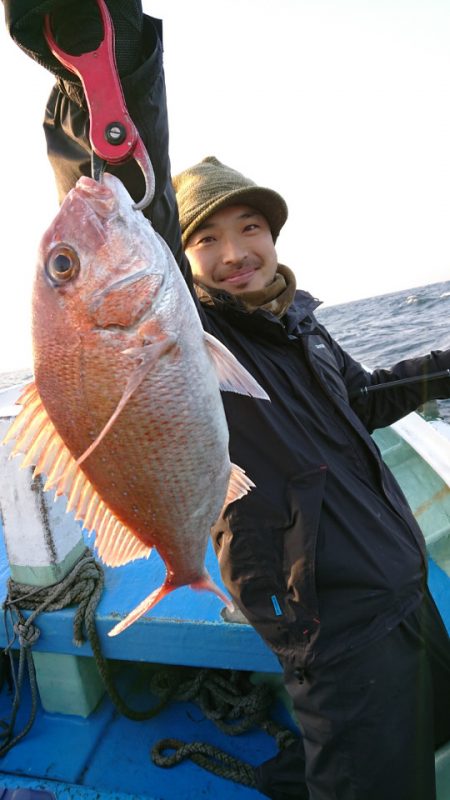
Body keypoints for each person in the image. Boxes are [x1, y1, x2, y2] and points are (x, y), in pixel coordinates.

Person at [4, 2, 450, 798]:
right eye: (207, 239)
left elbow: (362, 397)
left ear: (275, 239)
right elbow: (129, 204)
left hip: (407, 588)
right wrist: (102, 71)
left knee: (435, 726)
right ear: (183, 258)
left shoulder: (299, 325)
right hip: (336, 631)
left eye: (251, 228)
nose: (235, 250)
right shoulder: (192, 323)